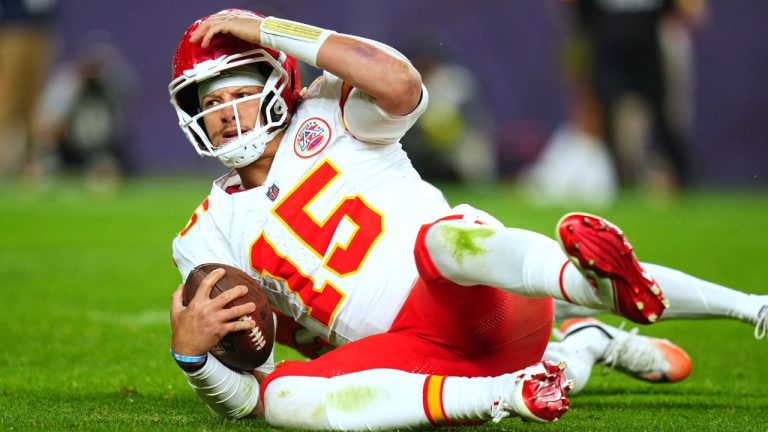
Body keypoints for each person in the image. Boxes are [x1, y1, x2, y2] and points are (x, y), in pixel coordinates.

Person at [167, 9, 766, 430]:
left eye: (235, 91)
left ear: (276, 80)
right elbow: (250, 383)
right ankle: (543, 369)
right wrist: (195, 361)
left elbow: (398, 81)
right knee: (286, 399)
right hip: (419, 360)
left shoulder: (328, 110)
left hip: (480, 293)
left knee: (445, 240)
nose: (223, 114)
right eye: (209, 103)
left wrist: (269, 28)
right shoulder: (203, 235)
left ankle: (666, 295)